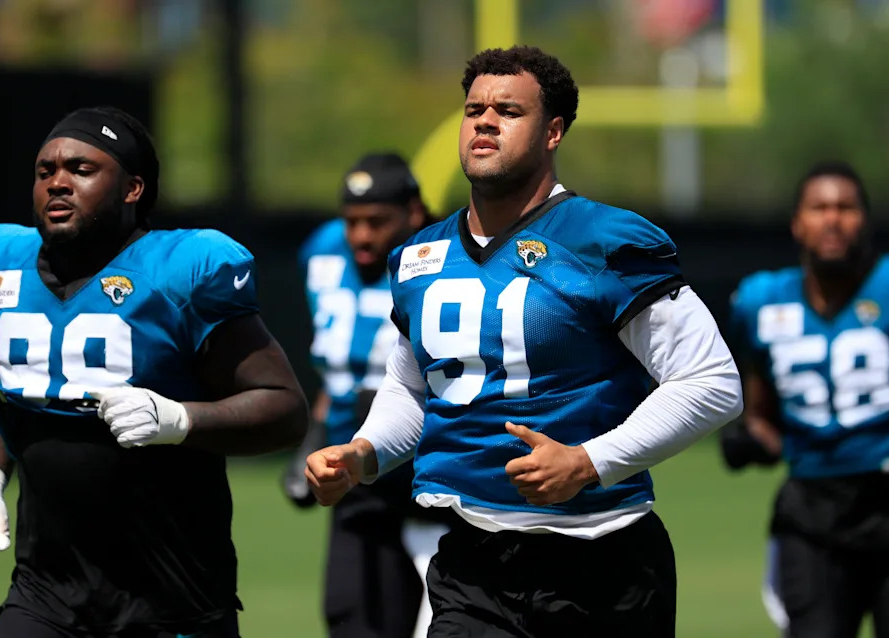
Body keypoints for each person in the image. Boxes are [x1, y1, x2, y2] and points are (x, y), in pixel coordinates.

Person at [305, 45, 743, 637]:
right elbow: (413, 388)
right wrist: (364, 454)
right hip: (471, 564)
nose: (484, 121)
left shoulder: (602, 240)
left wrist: (589, 461)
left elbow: (711, 381)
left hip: (601, 561)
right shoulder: (418, 258)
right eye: (473, 109)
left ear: (553, 131)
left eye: (508, 111)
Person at [0, 106, 308, 637]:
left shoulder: (181, 270)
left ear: (133, 188)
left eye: (82, 170)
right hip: (45, 595)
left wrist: (180, 419)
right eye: (45, 171)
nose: (58, 183)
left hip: (173, 602)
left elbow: (284, 407)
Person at [723, 161, 889, 637]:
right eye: (819, 208)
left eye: (846, 207)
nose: (833, 220)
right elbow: (764, 414)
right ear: (798, 223)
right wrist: (751, 438)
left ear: (867, 219)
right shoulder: (762, 300)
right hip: (814, 517)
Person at [281, 152, 450, 638]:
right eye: (352, 221)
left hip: (432, 470)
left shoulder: (444, 258)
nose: (361, 236)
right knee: (353, 617)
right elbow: (337, 369)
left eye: (376, 222)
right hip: (358, 465)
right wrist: (314, 435)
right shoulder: (322, 251)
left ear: (413, 214)